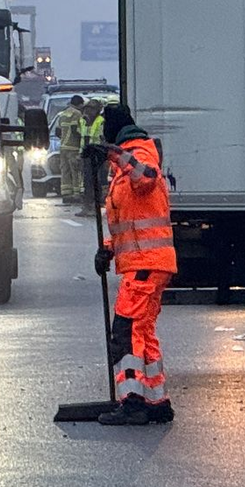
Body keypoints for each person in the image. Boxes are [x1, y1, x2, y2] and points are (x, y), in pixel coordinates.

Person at [86, 104, 177, 426]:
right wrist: (108, 249)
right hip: (146, 262)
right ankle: (157, 401)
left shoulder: (139, 152)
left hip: (145, 264)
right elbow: (132, 221)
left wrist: (114, 154)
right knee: (143, 331)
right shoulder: (124, 164)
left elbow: (147, 177)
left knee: (125, 332)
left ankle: (132, 402)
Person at [54, 95, 85, 202]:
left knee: (65, 171)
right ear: (80, 104)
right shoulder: (77, 113)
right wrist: (82, 139)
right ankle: (76, 194)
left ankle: (66, 194)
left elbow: (57, 131)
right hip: (73, 147)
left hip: (63, 147)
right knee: (75, 171)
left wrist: (63, 140)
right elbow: (74, 129)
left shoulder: (63, 113)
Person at [77, 99, 105, 217]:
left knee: (96, 182)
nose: (88, 111)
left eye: (92, 109)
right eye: (87, 108)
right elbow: (82, 137)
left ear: (97, 110)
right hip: (87, 156)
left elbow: (103, 139)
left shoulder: (101, 121)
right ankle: (87, 206)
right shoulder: (83, 121)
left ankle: (95, 207)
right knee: (86, 182)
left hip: (97, 156)